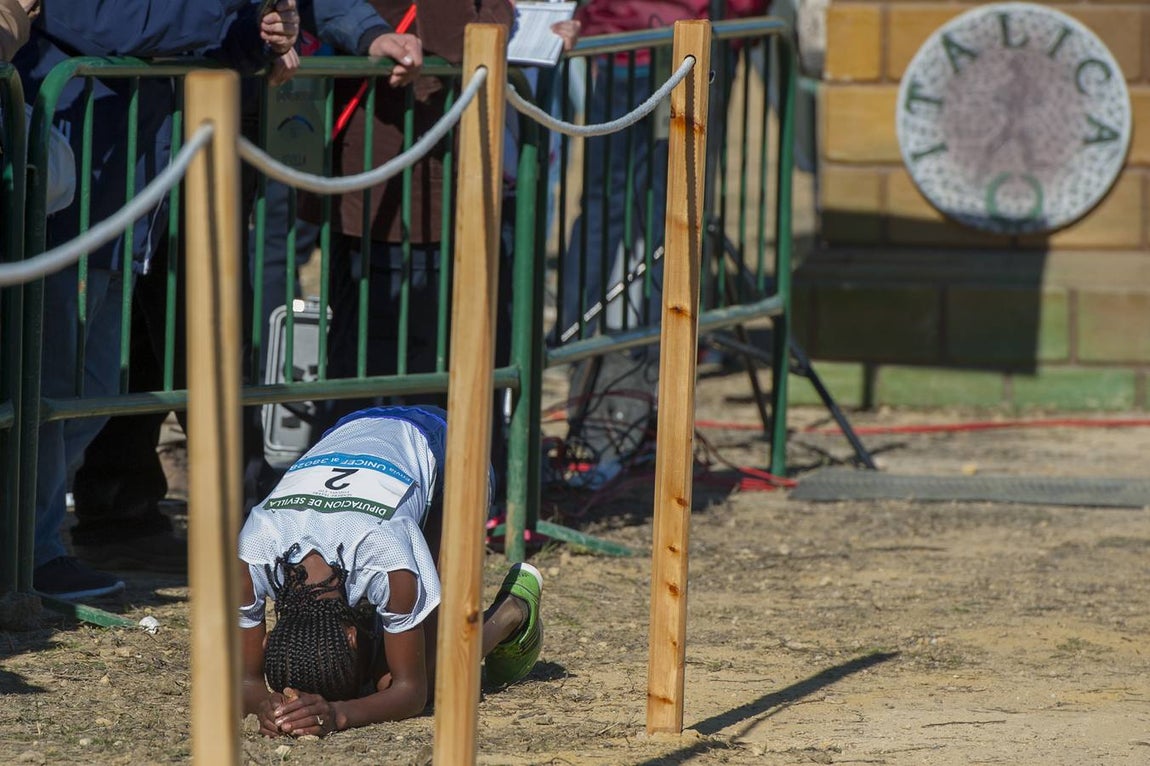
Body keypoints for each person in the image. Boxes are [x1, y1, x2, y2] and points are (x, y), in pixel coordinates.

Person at [65, 1, 423, 577]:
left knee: (209, 315)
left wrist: (365, 31)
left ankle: (227, 517)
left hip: (229, 105)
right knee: (135, 309)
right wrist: (235, 29)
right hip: (135, 103)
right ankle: (122, 509)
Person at [14, 0, 300, 600]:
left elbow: (193, 41)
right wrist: (231, 13)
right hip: (70, 192)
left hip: (126, 203)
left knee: (89, 392)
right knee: (50, 385)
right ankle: (31, 552)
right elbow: (102, 21)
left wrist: (257, 34)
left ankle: (27, 541)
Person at [238, 404, 544, 735]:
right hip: (357, 431)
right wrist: (268, 706)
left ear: (354, 637)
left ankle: (513, 610)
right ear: (267, 641)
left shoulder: (386, 559)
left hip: (454, 454)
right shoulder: (252, 551)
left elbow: (412, 692)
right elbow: (245, 682)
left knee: (432, 669)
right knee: (390, 670)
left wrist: (337, 714)